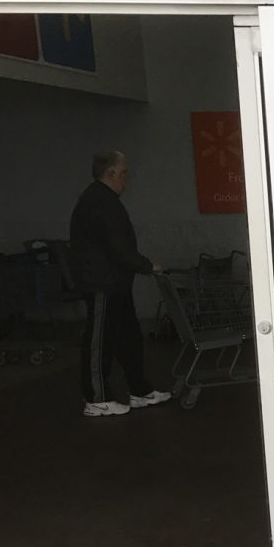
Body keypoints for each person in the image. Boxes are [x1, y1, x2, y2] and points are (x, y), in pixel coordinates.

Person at [67, 150, 170, 417]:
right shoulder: (100, 202)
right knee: (99, 340)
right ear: (110, 173)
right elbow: (117, 246)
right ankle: (97, 398)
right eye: (124, 173)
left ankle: (140, 390)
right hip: (101, 283)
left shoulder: (103, 200)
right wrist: (146, 266)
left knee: (128, 337)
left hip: (115, 283)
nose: (127, 179)